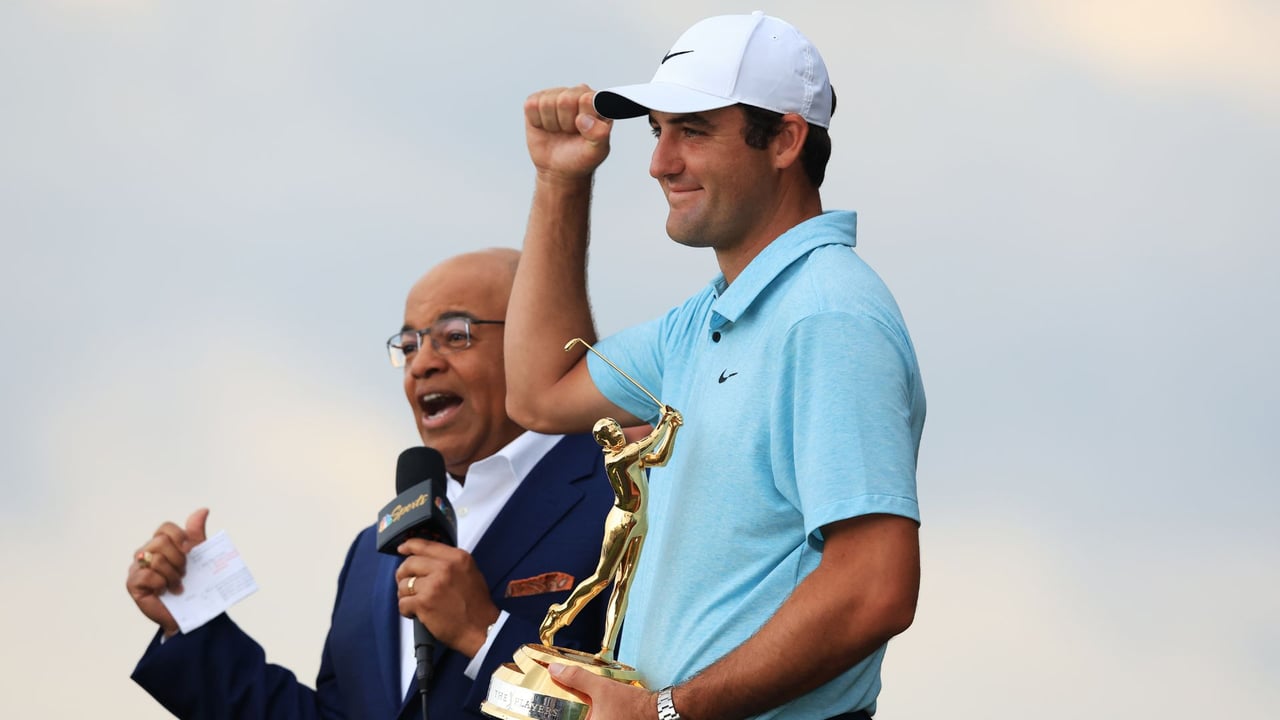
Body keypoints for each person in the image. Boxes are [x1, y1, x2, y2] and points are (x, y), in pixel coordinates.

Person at [506, 12, 926, 720]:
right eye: (657, 130)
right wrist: (559, 181)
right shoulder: (703, 320)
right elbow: (539, 394)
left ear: (786, 139)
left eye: (693, 130)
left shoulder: (828, 315)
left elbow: (875, 586)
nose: (660, 162)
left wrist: (666, 712)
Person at [126, 248, 616, 719]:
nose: (422, 363)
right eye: (409, 346)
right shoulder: (371, 556)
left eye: (455, 335)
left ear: (534, 339)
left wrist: (483, 634)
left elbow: (630, 708)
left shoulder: (623, 498)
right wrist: (187, 622)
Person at [539, 405, 682, 660]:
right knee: (601, 579)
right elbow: (648, 443)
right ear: (603, 441)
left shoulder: (629, 455)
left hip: (639, 520)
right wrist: (664, 423)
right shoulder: (616, 458)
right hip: (622, 521)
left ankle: (607, 649)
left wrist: (672, 429)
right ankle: (559, 615)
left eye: (616, 429)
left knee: (624, 585)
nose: (617, 434)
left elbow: (659, 459)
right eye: (611, 433)